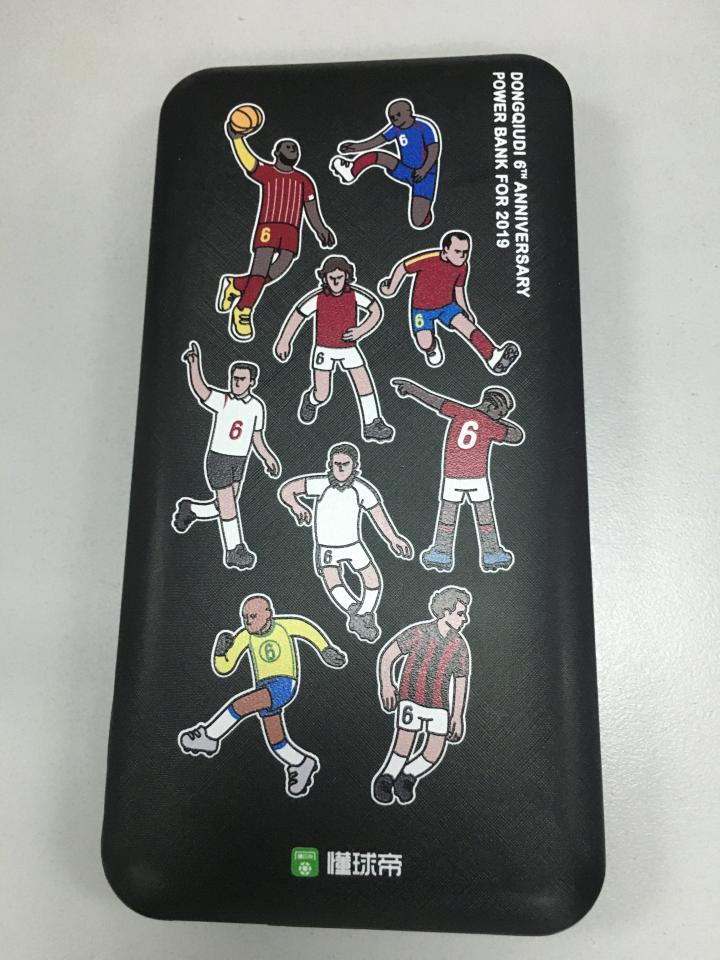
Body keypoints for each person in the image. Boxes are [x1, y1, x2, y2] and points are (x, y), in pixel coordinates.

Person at [178, 594, 347, 799]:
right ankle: (301, 762)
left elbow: (307, 629)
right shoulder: (244, 636)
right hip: (263, 686)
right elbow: (224, 667)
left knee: (241, 704)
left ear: (268, 614)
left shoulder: (284, 626)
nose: (247, 622)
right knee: (276, 739)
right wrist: (220, 652)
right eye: (245, 617)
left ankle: (209, 736)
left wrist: (325, 649)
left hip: (283, 684)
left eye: (253, 616)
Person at [217, 108, 335, 342]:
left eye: (295, 147)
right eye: (287, 146)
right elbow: (248, 161)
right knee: (260, 270)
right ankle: (243, 310)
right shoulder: (268, 172)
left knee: (278, 269)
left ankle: (236, 284)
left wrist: (320, 228)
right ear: (277, 152)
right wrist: (237, 139)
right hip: (269, 225)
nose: (293, 148)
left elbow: (310, 207)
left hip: (291, 231)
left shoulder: (303, 180)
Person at [278, 443, 413, 642]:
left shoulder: (361, 489)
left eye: (345, 464)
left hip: (353, 544)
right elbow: (287, 490)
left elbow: (377, 515)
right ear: (330, 465)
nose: (340, 468)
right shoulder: (321, 484)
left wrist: (393, 538)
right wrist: (296, 506)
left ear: (354, 465)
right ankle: (353, 611)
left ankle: (364, 614)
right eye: (336, 464)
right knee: (332, 578)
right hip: (328, 546)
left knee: (372, 578)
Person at [392, 378, 524, 573]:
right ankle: (492, 553)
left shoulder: (460, 411)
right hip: (477, 478)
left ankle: (441, 553)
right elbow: (516, 435)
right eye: (500, 413)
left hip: (453, 476)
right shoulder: (491, 425)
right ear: (490, 406)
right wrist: (494, 421)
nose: (500, 417)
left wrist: (412, 389)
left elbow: (433, 399)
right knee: (485, 518)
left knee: (447, 516)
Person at [171, 341, 280, 571]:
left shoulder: (257, 407)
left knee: (223, 505)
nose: (236, 382)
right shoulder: (223, 400)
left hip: (239, 461)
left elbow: (256, 437)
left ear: (252, 382)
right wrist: (194, 364)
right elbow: (201, 390)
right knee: (228, 506)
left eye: (241, 379)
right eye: (234, 378)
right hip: (218, 459)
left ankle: (191, 509)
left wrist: (267, 457)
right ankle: (234, 550)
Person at [274, 255, 394, 443]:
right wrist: (284, 340)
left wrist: (361, 330)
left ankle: (371, 424)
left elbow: (376, 310)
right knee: (323, 393)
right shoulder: (318, 298)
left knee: (364, 384)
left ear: (347, 276)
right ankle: (311, 400)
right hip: (324, 349)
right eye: (332, 278)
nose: (336, 282)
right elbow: (298, 315)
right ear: (325, 278)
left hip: (348, 347)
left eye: (340, 277)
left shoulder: (354, 295)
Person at [372, 586, 472, 805]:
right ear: (445, 611)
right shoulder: (419, 633)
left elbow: (461, 681)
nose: (465, 619)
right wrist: (387, 685)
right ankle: (386, 778)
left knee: (435, 749)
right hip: (411, 697)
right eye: (460, 613)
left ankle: (408, 776)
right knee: (404, 742)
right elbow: (388, 655)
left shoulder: (459, 646)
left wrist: (457, 715)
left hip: (439, 705)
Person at [378, 230, 520, 371]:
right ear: (446, 250)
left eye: (465, 252)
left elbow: (459, 289)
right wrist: (391, 288)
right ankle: (432, 349)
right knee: (424, 342)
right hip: (422, 310)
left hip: (447, 306)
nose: (462, 256)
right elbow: (403, 267)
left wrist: (465, 309)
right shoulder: (428, 258)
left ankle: (493, 356)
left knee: (467, 327)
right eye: (457, 251)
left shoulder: (463, 266)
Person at [329, 97, 441, 229]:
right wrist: (355, 147)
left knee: (418, 221)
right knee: (381, 157)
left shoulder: (424, 127)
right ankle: (352, 170)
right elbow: (378, 140)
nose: (395, 119)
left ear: (409, 112)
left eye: (398, 115)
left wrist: (424, 170)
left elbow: (433, 151)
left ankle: (426, 215)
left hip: (425, 175)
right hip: (405, 169)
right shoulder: (396, 129)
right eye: (392, 117)